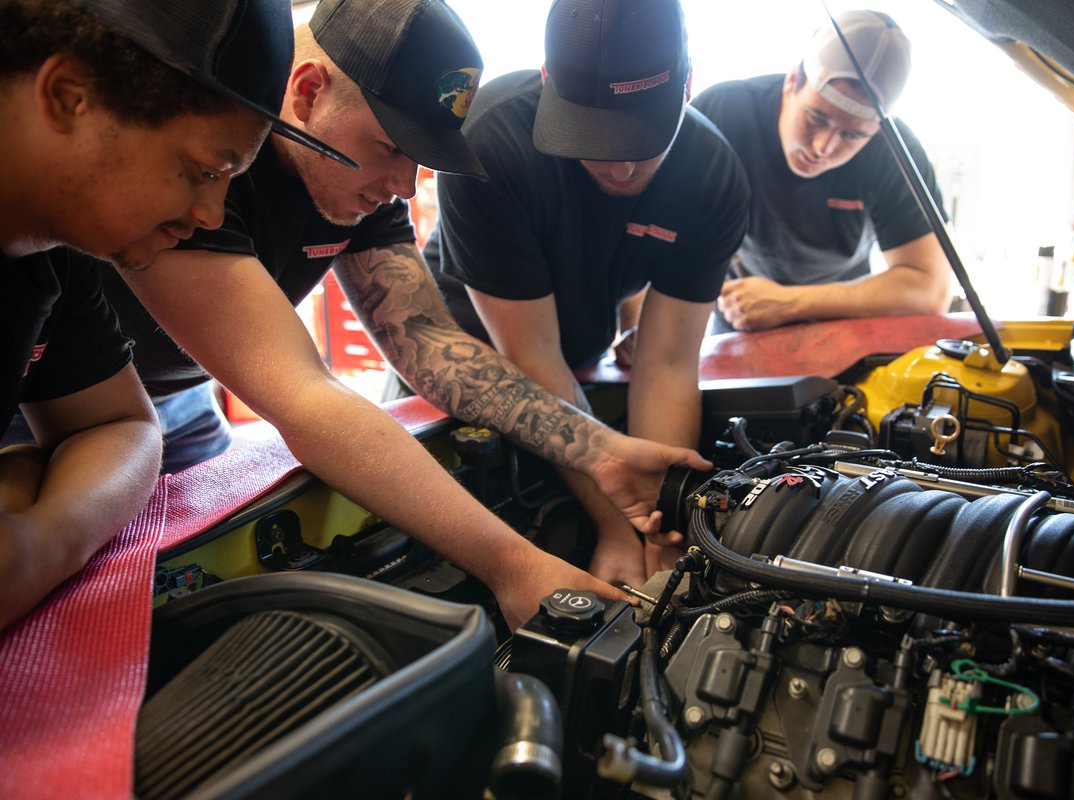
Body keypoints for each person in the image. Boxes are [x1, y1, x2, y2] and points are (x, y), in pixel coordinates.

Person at [99, 0, 711, 629]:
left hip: (183, 402)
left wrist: (601, 449)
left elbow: (430, 343)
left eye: (420, 158)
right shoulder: (213, 164)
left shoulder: (360, 184)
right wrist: (512, 565)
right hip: (63, 412)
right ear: (308, 92)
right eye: (391, 148)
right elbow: (306, 396)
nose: (404, 184)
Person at [0, 0, 344, 630]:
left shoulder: (48, 249)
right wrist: (23, 475)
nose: (213, 214)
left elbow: (119, 427)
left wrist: (39, 542)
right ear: (68, 97)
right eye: (200, 171)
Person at [428, 0, 751, 586]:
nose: (622, 168)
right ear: (550, 84)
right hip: (460, 369)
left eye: (644, 139)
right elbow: (529, 357)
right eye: (595, 138)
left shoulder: (713, 177)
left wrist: (658, 531)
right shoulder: (489, 144)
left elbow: (668, 360)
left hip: (575, 365)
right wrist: (612, 526)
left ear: (687, 86)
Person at [692, 9, 953, 333]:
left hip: (841, 313)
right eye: (816, 117)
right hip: (738, 308)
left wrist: (789, 302)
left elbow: (932, 288)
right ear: (792, 82)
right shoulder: (723, 112)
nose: (823, 147)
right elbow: (657, 225)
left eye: (852, 135)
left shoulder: (893, 151)